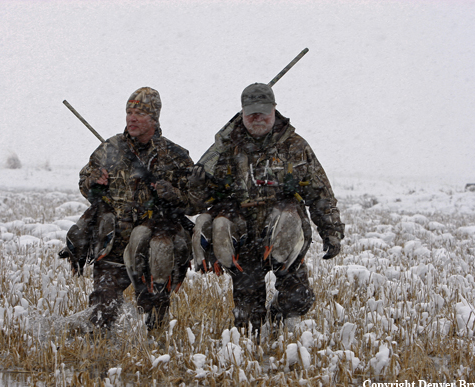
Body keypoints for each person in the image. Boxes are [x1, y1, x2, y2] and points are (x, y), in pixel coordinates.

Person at [188, 83, 344, 336]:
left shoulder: (295, 147)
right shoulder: (225, 149)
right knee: (248, 319)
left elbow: (320, 193)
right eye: (251, 112)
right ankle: (248, 344)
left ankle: (281, 315)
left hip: (285, 232)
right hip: (244, 238)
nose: (257, 117)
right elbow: (198, 202)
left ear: (274, 110)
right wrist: (196, 184)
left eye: (263, 111)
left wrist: (332, 231)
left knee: (297, 299)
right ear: (242, 113)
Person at [69, 87, 199, 330]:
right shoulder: (110, 149)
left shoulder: (175, 156)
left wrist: (173, 194)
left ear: (154, 118)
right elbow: (85, 185)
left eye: (139, 113)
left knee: (154, 307)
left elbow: (194, 201)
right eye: (129, 112)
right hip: (113, 243)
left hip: (154, 244)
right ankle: (98, 353)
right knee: (102, 307)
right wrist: (93, 181)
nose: (131, 117)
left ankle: (153, 353)